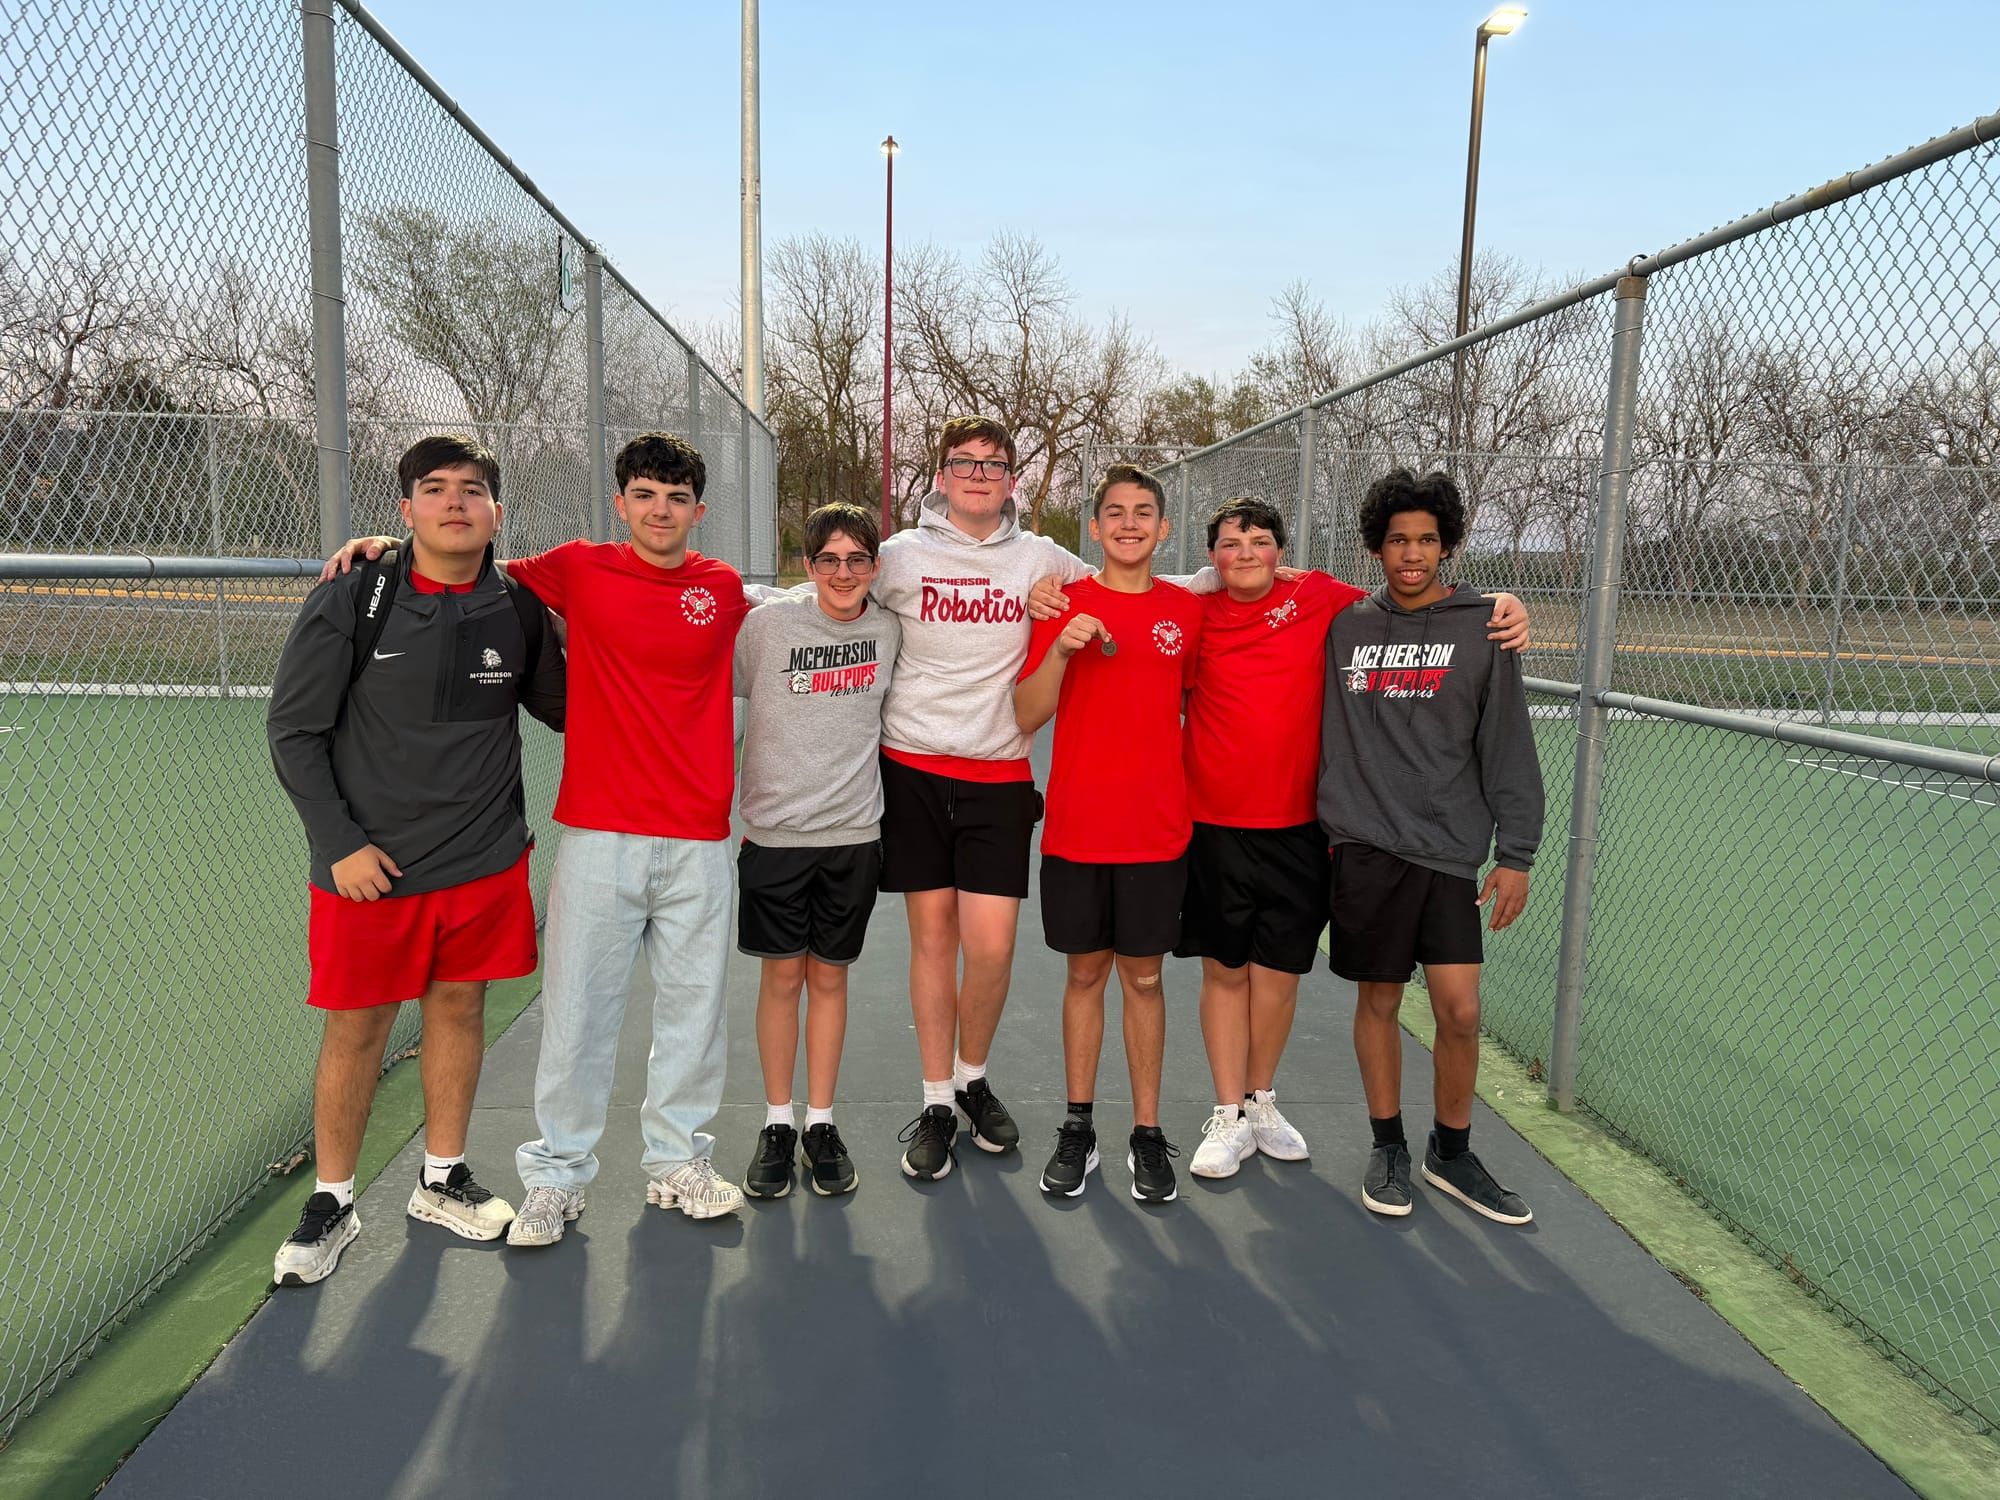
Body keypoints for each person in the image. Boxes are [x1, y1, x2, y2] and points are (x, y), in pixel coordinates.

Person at [324, 431, 751, 1244]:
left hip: (698, 836)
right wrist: (383, 546)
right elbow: (459, 557)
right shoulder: (574, 568)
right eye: (645, 495)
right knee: (579, 1013)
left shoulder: (722, 585)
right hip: (598, 832)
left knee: (695, 1013)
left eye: (678, 498)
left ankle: (677, 1165)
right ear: (621, 502)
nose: (661, 511)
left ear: (700, 510)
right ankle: (556, 1177)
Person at [268, 434, 565, 1285]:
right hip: (371, 871)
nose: (455, 502)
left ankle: (442, 1177)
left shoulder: (515, 610)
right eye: (434, 489)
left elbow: (566, 707)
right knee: (357, 1028)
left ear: (496, 512)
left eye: (473, 489)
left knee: (459, 1010)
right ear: (405, 511)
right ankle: (331, 1200)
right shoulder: (354, 596)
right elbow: (293, 732)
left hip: (482, 862)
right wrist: (341, 845)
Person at [1173, 499, 1531, 1179]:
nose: (1245, 552)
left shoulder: (1322, 601)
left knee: (1282, 976)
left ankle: (1260, 1103)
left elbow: (1445, 604)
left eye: (1259, 541)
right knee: (1226, 971)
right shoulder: (1204, 611)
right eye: (1229, 544)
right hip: (1221, 825)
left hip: (1306, 829)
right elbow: (1145, 600)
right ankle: (1227, 1115)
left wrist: (1507, 602)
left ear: (1283, 553)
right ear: (1211, 557)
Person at [869, 416, 1092, 1181]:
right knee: (933, 939)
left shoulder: (1041, 557)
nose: (977, 474)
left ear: (1012, 481)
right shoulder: (899, 555)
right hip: (912, 771)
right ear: (940, 475)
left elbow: (1130, 583)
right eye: (963, 462)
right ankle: (937, 1101)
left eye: (993, 465)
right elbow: (820, 586)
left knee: (991, 946)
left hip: (999, 775)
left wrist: (1224, 580)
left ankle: (973, 1076)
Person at [1319, 468, 1544, 1223]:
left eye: (1425, 540)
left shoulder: (1484, 627)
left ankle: (1450, 1151)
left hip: (1448, 851)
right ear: (1376, 548)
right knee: (1378, 998)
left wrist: (1518, 853)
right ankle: (1387, 1146)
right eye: (1397, 541)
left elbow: (1509, 745)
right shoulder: (1345, 627)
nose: (1411, 554)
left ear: (1446, 546)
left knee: (1459, 1011)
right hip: (1367, 845)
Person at [1013, 465, 1202, 1202]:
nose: (1128, 523)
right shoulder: (1060, 606)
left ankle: (1147, 1133)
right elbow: (1027, 715)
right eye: (1114, 512)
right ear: (1093, 528)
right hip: (1077, 832)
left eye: (1143, 512)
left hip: (1156, 835)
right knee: (1084, 975)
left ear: (1163, 529)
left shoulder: (1188, 612)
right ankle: (1078, 1126)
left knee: (1146, 980)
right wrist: (1060, 646)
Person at [733, 503, 899, 1199]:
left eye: (856, 559)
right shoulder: (766, 626)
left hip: (853, 837)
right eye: (828, 559)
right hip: (775, 837)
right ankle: (777, 1122)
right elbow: (733, 691)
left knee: (830, 978)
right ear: (808, 566)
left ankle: (821, 1122)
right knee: (783, 980)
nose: (842, 572)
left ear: (875, 568)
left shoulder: (889, 629)